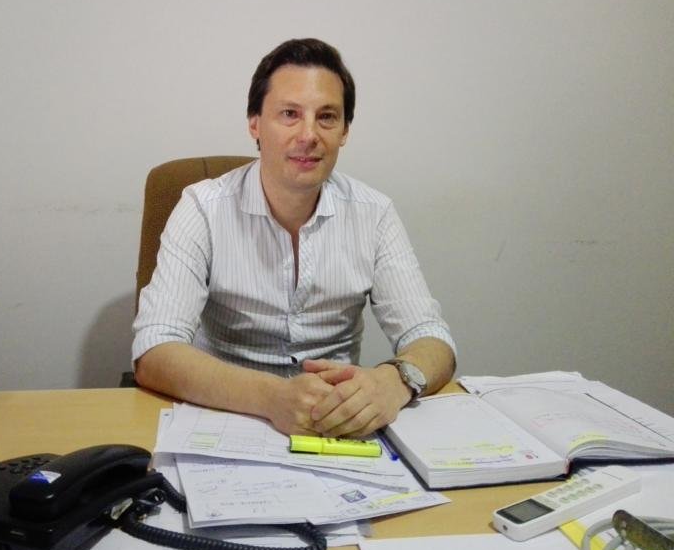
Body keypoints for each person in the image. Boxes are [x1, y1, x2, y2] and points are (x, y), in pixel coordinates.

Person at [132, 38, 455, 438]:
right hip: (228, 420)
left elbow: (432, 338)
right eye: (289, 114)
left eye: (327, 117)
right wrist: (272, 398)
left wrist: (393, 381)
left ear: (344, 131)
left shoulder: (374, 214)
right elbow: (154, 350)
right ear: (255, 123)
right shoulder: (202, 207)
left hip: (335, 428)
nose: (309, 134)